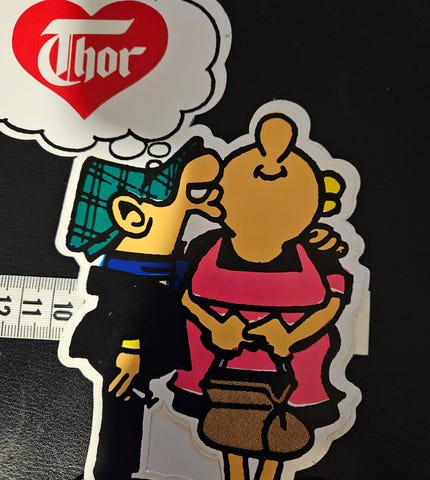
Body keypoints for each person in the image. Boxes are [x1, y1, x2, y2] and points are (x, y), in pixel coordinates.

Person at [171, 114, 353, 480]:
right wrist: (215, 326)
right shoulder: (205, 246)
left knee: (280, 433)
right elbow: (184, 295)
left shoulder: (317, 255)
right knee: (227, 424)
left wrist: (292, 336)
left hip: (292, 366)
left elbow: (333, 303)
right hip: (215, 360)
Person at [65, 138, 223, 480]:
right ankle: (113, 470)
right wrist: (128, 347)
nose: (192, 206)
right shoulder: (128, 272)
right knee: (121, 407)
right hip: (126, 351)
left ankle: (122, 467)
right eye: (186, 196)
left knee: (132, 405)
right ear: (131, 215)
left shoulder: (163, 267)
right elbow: (127, 310)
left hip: (144, 350)